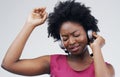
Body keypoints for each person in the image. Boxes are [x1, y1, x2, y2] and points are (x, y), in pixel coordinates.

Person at [1, 0, 114, 77]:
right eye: (65, 38)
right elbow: (9, 64)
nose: (71, 42)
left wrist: (97, 48)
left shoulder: (106, 69)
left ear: (89, 33)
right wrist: (29, 25)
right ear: (60, 42)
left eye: (76, 35)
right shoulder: (53, 63)